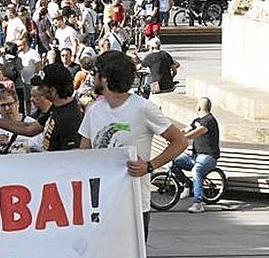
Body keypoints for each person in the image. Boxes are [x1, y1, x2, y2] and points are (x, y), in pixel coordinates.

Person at [79, 51, 188, 239]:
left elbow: (180, 141)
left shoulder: (142, 107)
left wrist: (149, 166)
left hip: (134, 204)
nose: (92, 77)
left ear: (104, 78)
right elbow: (83, 153)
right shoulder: (93, 110)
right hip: (99, 204)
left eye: (95, 72)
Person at [0, 63, 83, 151]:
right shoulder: (56, 108)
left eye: (42, 87)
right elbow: (29, 129)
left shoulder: (69, 118)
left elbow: (71, 159)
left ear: (53, 91)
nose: (40, 90)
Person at [172, 97, 220, 214]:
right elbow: (186, 130)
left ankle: (198, 203)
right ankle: (187, 185)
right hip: (195, 156)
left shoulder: (209, 120)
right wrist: (173, 135)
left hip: (208, 157)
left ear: (199, 107)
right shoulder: (197, 120)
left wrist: (181, 138)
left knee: (196, 171)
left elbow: (195, 133)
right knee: (174, 163)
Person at [0, 88, 43, 155]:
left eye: (10, 104)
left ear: (17, 103)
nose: (7, 108)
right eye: (3, 105)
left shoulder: (32, 124)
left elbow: (43, 150)